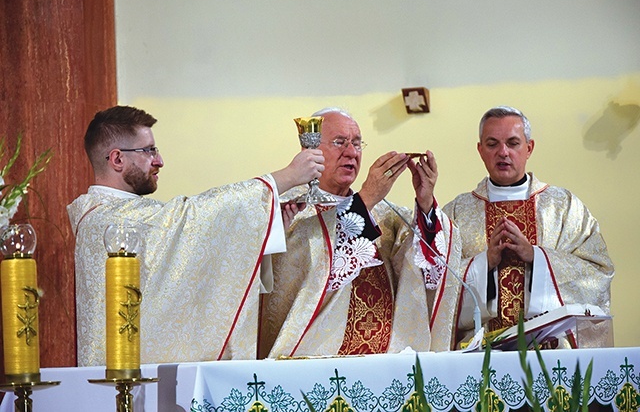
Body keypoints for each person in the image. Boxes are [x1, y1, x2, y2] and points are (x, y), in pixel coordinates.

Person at [67, 105, 325, 366]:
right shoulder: (110, 219)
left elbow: (186, 264)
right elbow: (190, 219)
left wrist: (265, 224)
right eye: (149, 150)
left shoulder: (119, 214)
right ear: (117, 159)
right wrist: (285, 177)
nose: (159, 161)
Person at [258, 107, 460, 358]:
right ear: (311, 151)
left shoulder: (386, 216)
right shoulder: (290, 210)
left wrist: (427, 204)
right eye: (339, 142)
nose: (352, 153)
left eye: (356, 143)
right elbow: (293, 278)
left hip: (386, 364)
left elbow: (425, 270)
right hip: (317, 365)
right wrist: (365, 201)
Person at [431, 105, 614, 348]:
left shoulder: (563, 207)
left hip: (551, 355)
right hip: (480, 356)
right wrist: (484, 263)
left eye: (513, 143)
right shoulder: (456, 213)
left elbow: (598, 272)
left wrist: (536, 257)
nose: (503, 152)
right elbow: (436, 285)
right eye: (492, 143)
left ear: (529, 148)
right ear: (480, 150)